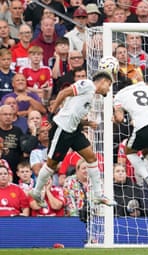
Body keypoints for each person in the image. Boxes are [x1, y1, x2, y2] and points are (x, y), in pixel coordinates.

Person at [29, 68, 116, 208]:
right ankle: (37, 191)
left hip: (74, 131)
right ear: (104, 81)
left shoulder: (91, 97)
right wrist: (52, 113)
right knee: (52, 164)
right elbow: (63, 93)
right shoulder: (87, 85)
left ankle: (98, 195)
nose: (109, 89)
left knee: (91, 158)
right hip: (62, 129)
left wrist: (87, 123)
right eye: (109, 85)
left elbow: (73, 114)